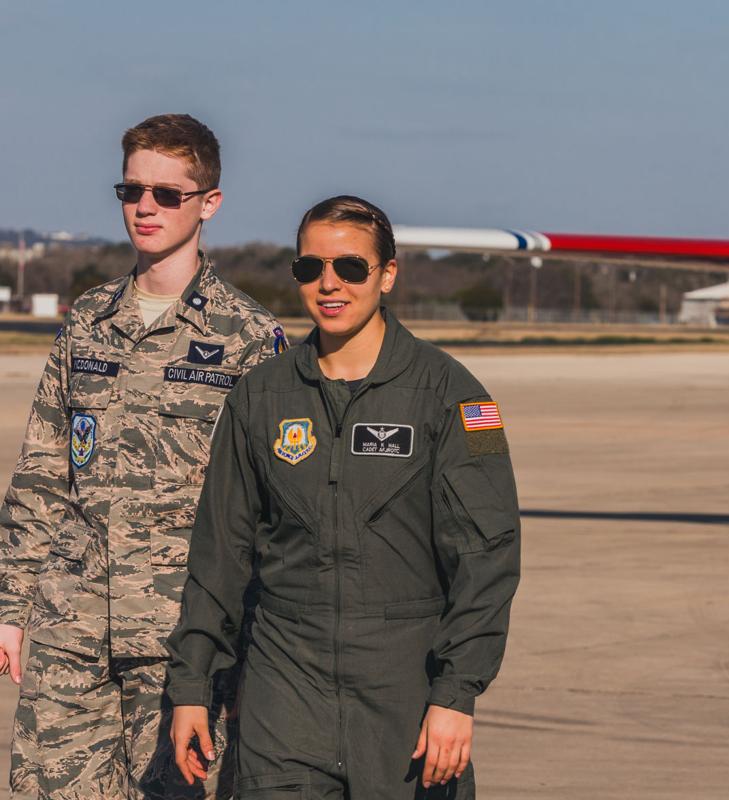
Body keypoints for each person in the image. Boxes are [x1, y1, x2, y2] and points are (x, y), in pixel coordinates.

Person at [166, 196, 520, 800]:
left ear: (387, 275)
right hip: (285, 690)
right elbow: (219, 553)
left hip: (402, 693)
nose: (329, 284)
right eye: (310, 268)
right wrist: (191, 686)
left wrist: (456, 697)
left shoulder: (449, 395)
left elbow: (487, 559)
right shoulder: (261, 397)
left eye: (351, 268)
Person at [0, 114, 287, 798]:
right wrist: (10, 607)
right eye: (132, 191)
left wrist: (250, 656)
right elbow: (42, 473)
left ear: (208, 203)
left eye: (167, 193)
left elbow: (271, 513)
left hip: (181, 643)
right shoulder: (87, 322)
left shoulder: (249, 338)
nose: (146, 208)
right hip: (71, 629)